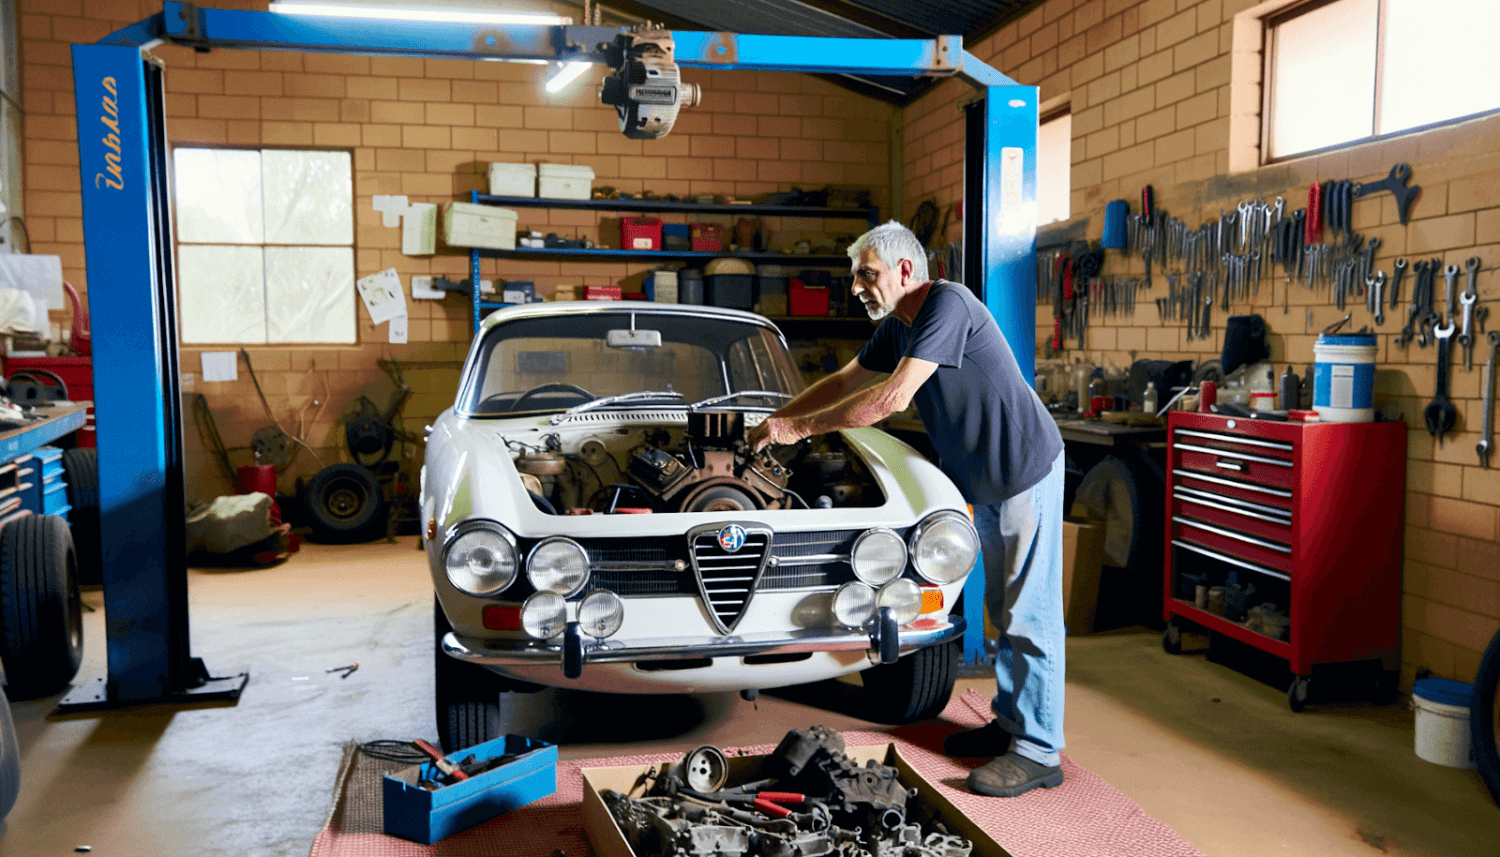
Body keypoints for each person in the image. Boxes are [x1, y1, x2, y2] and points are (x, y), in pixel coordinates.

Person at [747, 220, 1067, 798]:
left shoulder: (947, 303)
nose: (855, 287)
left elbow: (891, 399)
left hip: (1023, 467)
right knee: (1003, 606)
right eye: (854, 277)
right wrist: (774, 421)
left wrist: (798, 429)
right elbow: (846, 380)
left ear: (903, 271)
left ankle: (1040, 752)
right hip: (984, 478)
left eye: (866, 274)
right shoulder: (897, 327)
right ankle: (1013, 727)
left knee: (1029, 611)